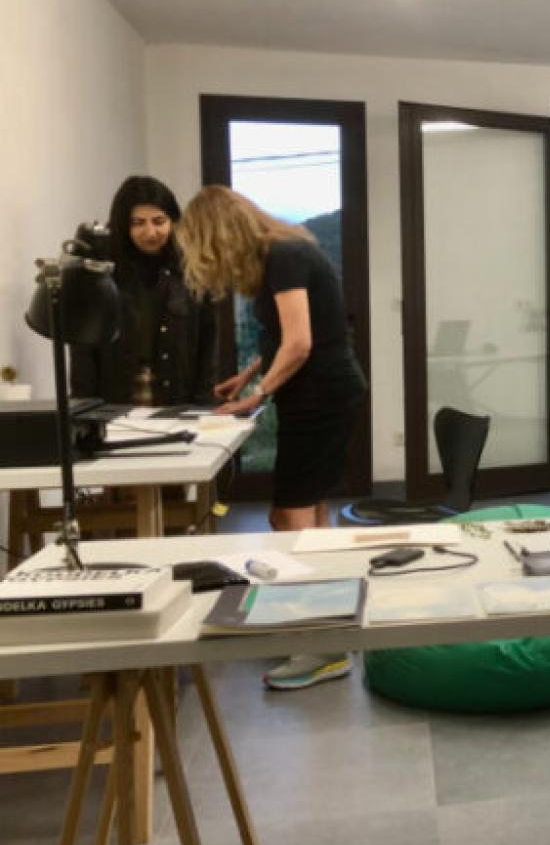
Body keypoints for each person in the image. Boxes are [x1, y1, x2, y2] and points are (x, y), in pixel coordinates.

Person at [178, 185, 368, 691]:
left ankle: (318, 643)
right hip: (322, 393)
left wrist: (255, 396)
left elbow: (302, 342)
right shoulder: (281, 253)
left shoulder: (285, 255)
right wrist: (248, 376)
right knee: (310, 515)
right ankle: (330, 627)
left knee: (290, 516)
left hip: (322, 395)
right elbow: (286, 337)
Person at [70, 176, 217, 406]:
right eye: (138, 223)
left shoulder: (192, 271)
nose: (151, 232)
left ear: (173, 221)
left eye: (159, 221)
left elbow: (208, 348)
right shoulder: (103, 272)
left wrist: (205, 405)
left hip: (179, 403)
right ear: (122, 225)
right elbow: (83, 354)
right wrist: (84, 412)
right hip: (116, 404)